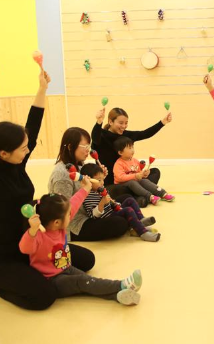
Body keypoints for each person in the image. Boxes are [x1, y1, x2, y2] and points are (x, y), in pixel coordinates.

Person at [0, 69, 94, 310]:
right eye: (23, 148)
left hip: (32, 237)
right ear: (3, 154)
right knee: (44, 296)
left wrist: (42, 89)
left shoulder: (16, 162)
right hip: (7, 253)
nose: (28, 150)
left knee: (86, 260)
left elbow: (32, 126)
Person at [19, 180, 142, 305]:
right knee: (84, 282)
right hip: (53, 280)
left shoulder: (59, 225)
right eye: (68, 215)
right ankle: (121, 285)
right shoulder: (39, 236)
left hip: (67, 268)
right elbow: (24, 248)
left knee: (88, 281)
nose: (71, 215)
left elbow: (74, 203)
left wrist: (86, 188)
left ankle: (118, 296)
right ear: (56, 222)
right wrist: (32, 231)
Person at [48, 127, 129, 241]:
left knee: (126, 197)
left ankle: (132, 218)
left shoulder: (79, 164)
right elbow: (63, 211)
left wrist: (99, 178)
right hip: (76, 224)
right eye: (84, 146)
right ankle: (131, 220)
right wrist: (85, 190)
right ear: (70, 147)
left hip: (91, 209)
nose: (88, 150)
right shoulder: (61, 175)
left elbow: (92, 190)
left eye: (88, 146)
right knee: (120, 223)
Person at [91, 107, 172, 201]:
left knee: (154, 172)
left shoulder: (126, 135)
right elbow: (95, 138)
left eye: (126, 123)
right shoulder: (101, 135)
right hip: (114, 183)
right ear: (110, 122)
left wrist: (163, 122)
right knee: (125, 187)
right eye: (121, 123)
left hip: (130, 177)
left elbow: (145, 133)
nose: (124, 126)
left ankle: (140, 195)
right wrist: (99, 122)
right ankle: (141, 195)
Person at [80, 163, 161, 242]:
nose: (102, 182)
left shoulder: (99, 189)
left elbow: (110, 203)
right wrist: (102, 202)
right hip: (107, 217)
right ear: (89, 181)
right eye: (99, 180)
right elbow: (93, 215)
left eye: (103, 179)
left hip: (111, 210)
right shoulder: (88, 196)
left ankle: (141, 220)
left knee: (130, 200)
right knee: (128, 210)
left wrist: (114, 203)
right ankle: (143, 233)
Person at [113, 137, 175, 207]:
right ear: (120, 152)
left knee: (145, 181)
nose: (132, 150)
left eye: (132, 147)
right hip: (122, 185)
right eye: (129, 148)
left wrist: (143, 174)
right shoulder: (119, 163)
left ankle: (163, 194)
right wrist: (135, 176)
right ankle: (150, 197)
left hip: (135, 182)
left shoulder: (135, 160)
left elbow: (139, 172)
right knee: (132, 183)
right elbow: (120, 177)